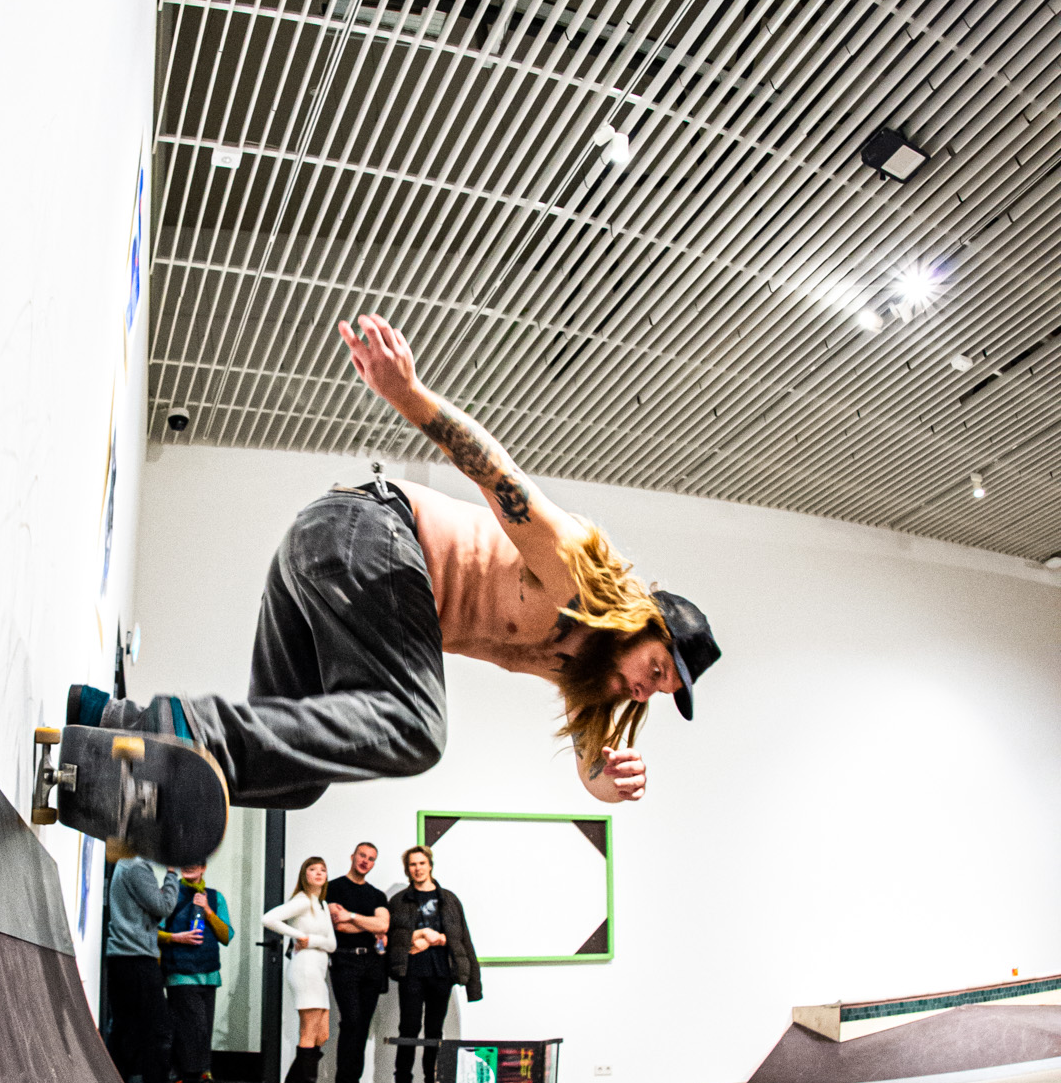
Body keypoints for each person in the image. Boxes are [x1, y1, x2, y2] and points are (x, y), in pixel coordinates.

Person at [71, 317, 719, 830]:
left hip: (328, 565)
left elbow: (587, 762)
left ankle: (108, 721)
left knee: (294, 781)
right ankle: (182, 731)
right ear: (642, 621)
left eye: (658, 694)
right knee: (416, 726)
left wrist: (605, 783)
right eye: (656, 669)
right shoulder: (579, 571)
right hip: (366, 534)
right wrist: (407, 394)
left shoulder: (577, 667)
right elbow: (500, 477)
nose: (645, 692)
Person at [386, 845, 481, 1083]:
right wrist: (417, 937)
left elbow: (462, 938)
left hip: (442, 973)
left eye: (421, 863)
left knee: (435, 1031)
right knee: (408, 1029)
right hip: (412, 973)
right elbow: (391, 937)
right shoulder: (399, 901)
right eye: (412, 864)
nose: (417, 868)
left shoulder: (449, 899)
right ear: (407, 869)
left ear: (430, 865)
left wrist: (437, 939)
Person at [105, 857, 194, 1083]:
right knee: (158, 1028)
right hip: (136, 958)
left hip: (124, 957)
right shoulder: (136, 867)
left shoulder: (126, 865)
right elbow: (164, 906)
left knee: (127, 1029)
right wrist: (172, 873)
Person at [262, 856, 337, 1083]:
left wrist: (310, 940)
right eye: (312, 869)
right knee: (308, 1033)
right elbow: (269, 919)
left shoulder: (321, 904)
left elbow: (332, 945)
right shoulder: (302, 900)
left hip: (318, 971)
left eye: (322, 869)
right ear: (304, 875)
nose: (318, 873)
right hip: (305, 970)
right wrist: (298, 936)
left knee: (322, 1035)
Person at [159, 863, 231, 1083]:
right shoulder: (170, 893)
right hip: (179, 972)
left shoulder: (215, 897)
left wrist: (208, 910)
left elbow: (226, 936)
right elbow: (153, 931)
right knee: (192, 1025)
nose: (190, 866)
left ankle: (185, 1076)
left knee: (203, 1027)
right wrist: (177, 938)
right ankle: (201, 1075)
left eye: (195, 862)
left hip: (209, 973)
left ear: (204, 867)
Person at [324, 841, 389, 1083]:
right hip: (345, 961)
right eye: (362, 855)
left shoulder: (377, 895)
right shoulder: (333, 888)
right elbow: (339, 927)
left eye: (371, 858)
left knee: (362, 1025)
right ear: (353, 856)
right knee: (350, 1021)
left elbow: (383, 925)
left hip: (372, 965)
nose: (365, 861)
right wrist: (369, 925)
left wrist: (351, 916)